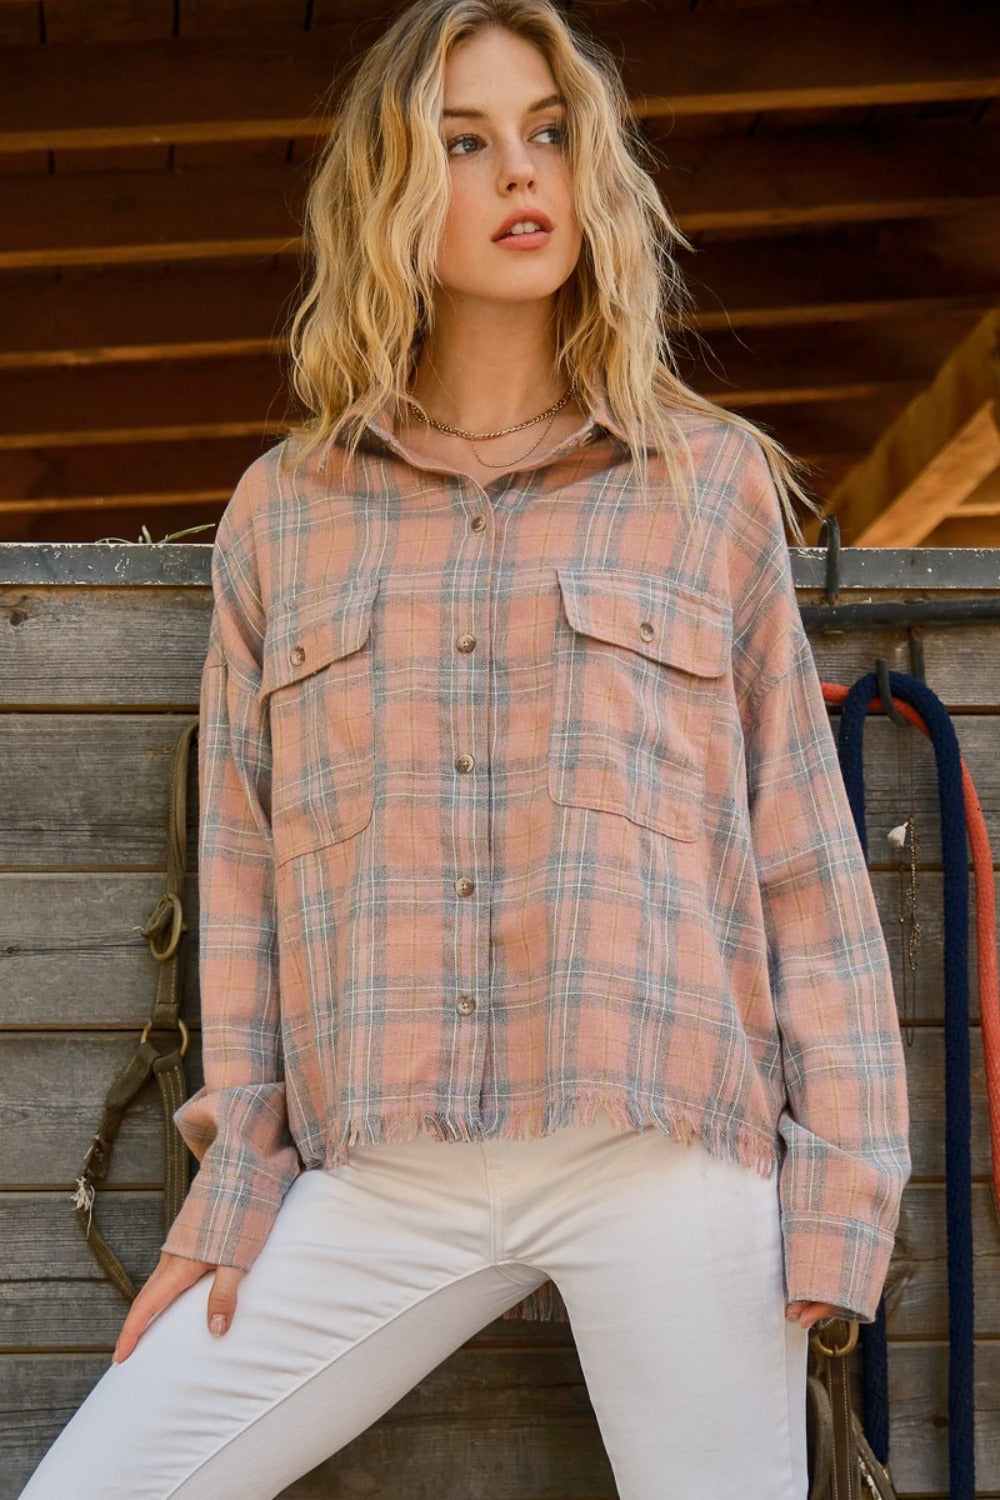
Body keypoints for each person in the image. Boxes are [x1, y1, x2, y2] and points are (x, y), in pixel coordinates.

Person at [18, 2, 911, 1497]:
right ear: (390, 189)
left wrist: (840, 1195)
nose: (520, 172)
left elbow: (805, 867)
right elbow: (241, 879)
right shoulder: (285, 514)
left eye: (549, 133)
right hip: (384, 1174)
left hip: (662, 1154)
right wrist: (236, 1186)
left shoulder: (705, 486)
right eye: (464, 140)